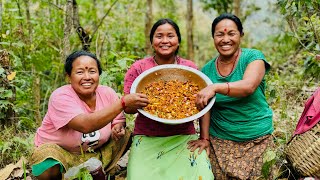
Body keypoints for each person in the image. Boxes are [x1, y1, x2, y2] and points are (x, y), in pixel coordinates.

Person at [30, 50, 149, 179]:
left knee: (128, 135)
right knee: (47, 163)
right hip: (62, 154)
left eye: (92, 71)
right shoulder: (60, 96)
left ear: (99, 74)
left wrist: (118, 127)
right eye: (80, 72)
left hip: (97, 152)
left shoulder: (107, 93)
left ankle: (101, 171)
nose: (87, 77)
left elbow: (118, 119)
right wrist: (123, 102)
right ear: (68, 77)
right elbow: (85, 124)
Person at [123, 18, 214, 180]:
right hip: (146, 137)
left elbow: (204, 105)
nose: (165, 41)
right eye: (159, 36)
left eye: (170, 36)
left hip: (184, 137)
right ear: (152, 41)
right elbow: (128, 109)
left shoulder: (190, 69)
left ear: (178, 41)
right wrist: (136, 101)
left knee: (203, 176)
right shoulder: (139, 68)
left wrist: (204, 138)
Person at [190, 13, 274, 179]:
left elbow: (248, 86)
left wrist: (215, 87)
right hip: (220, 140)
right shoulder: (206, 70)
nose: (225, 39)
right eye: (219, 34)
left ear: (241, 35)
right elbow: (206, 107)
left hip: (257, 137)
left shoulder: (253, 57)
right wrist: (204, 138)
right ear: (213, 37)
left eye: (231, 34)